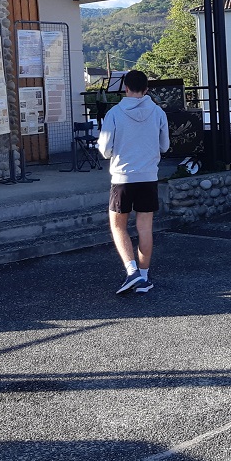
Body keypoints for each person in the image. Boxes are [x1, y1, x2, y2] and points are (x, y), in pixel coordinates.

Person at [97, 69, 169, 296]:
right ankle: (144, 277)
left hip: (122, 177)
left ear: (125, 88)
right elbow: (165, 146)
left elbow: (105, 149)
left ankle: (131, 271)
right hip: (148, 176)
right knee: (145, 227)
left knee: (118, 226)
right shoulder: (158, 112)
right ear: (146, 89)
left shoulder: (114, 113)